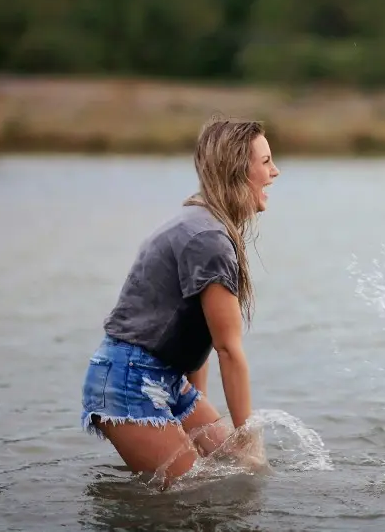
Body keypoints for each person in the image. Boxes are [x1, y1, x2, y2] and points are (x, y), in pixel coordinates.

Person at [80, 118, 278, 486]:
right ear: (238, 169)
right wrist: (248, 436)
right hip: (129, 380)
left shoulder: (206, 224)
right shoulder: (208, 239)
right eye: (265, 162)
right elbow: (228, 349)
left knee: (238, 473)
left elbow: (196, 335)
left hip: (165, 378)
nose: (274, 172)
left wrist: (199, 416)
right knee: (198, 493)